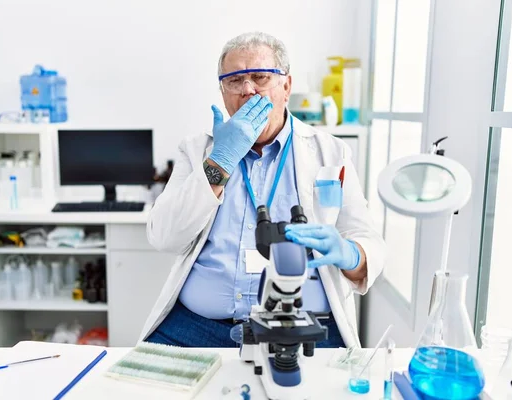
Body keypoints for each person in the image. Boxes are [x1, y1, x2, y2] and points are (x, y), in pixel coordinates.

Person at [140, 32, 386, 349]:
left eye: (260, 77)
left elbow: (368, 242)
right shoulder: (198, 150)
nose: (247, 90)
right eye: (234, 80)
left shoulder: (331, 152)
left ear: (286, 86)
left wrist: (352, 254)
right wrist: (220, 162)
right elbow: (164, 237)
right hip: (198, 327)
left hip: (303, 326)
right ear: (223, 92)